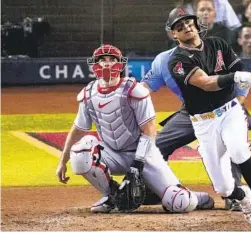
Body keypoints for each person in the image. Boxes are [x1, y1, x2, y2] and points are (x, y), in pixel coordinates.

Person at [55, 44, 214, 214]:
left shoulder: (134, 90)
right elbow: (78, 129)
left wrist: (137, 163)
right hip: (112, 154)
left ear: (121, 64)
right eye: (102, 60)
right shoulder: (88, 93)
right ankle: (111, 196)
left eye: (112, 60)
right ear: (95, 65)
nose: (107, 64)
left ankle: (196, 197)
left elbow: (149, 131)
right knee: (80, 152)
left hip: (144, 156)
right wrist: (62, 161)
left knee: (181, 203)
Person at [166, 6, 251, 224]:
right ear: (174, 33)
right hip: (203, 124)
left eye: (188, 22)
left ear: (196, 24)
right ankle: (242, 197)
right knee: (223, 187)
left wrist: (243, 84)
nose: (186, 27)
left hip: (230, 112)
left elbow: (238, 68)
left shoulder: (218, 44)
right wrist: (235, 77)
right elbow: (206, 83)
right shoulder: (177, 60)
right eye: (179, 26)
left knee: (239, 150)